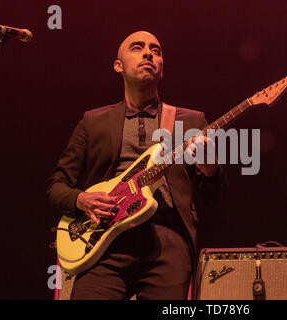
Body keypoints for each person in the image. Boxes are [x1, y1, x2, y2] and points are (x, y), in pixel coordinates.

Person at [46, 31, 228, 300]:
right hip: (104, 244)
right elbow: (56, 187)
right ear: (118, 66)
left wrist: (210, 168)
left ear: (162, 68)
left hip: (167, 241)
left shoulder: (190, 121)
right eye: (137, 48)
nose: (148, 54)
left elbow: (214, 196)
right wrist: (81, 199)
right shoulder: (93, 121)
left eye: (156, 50)